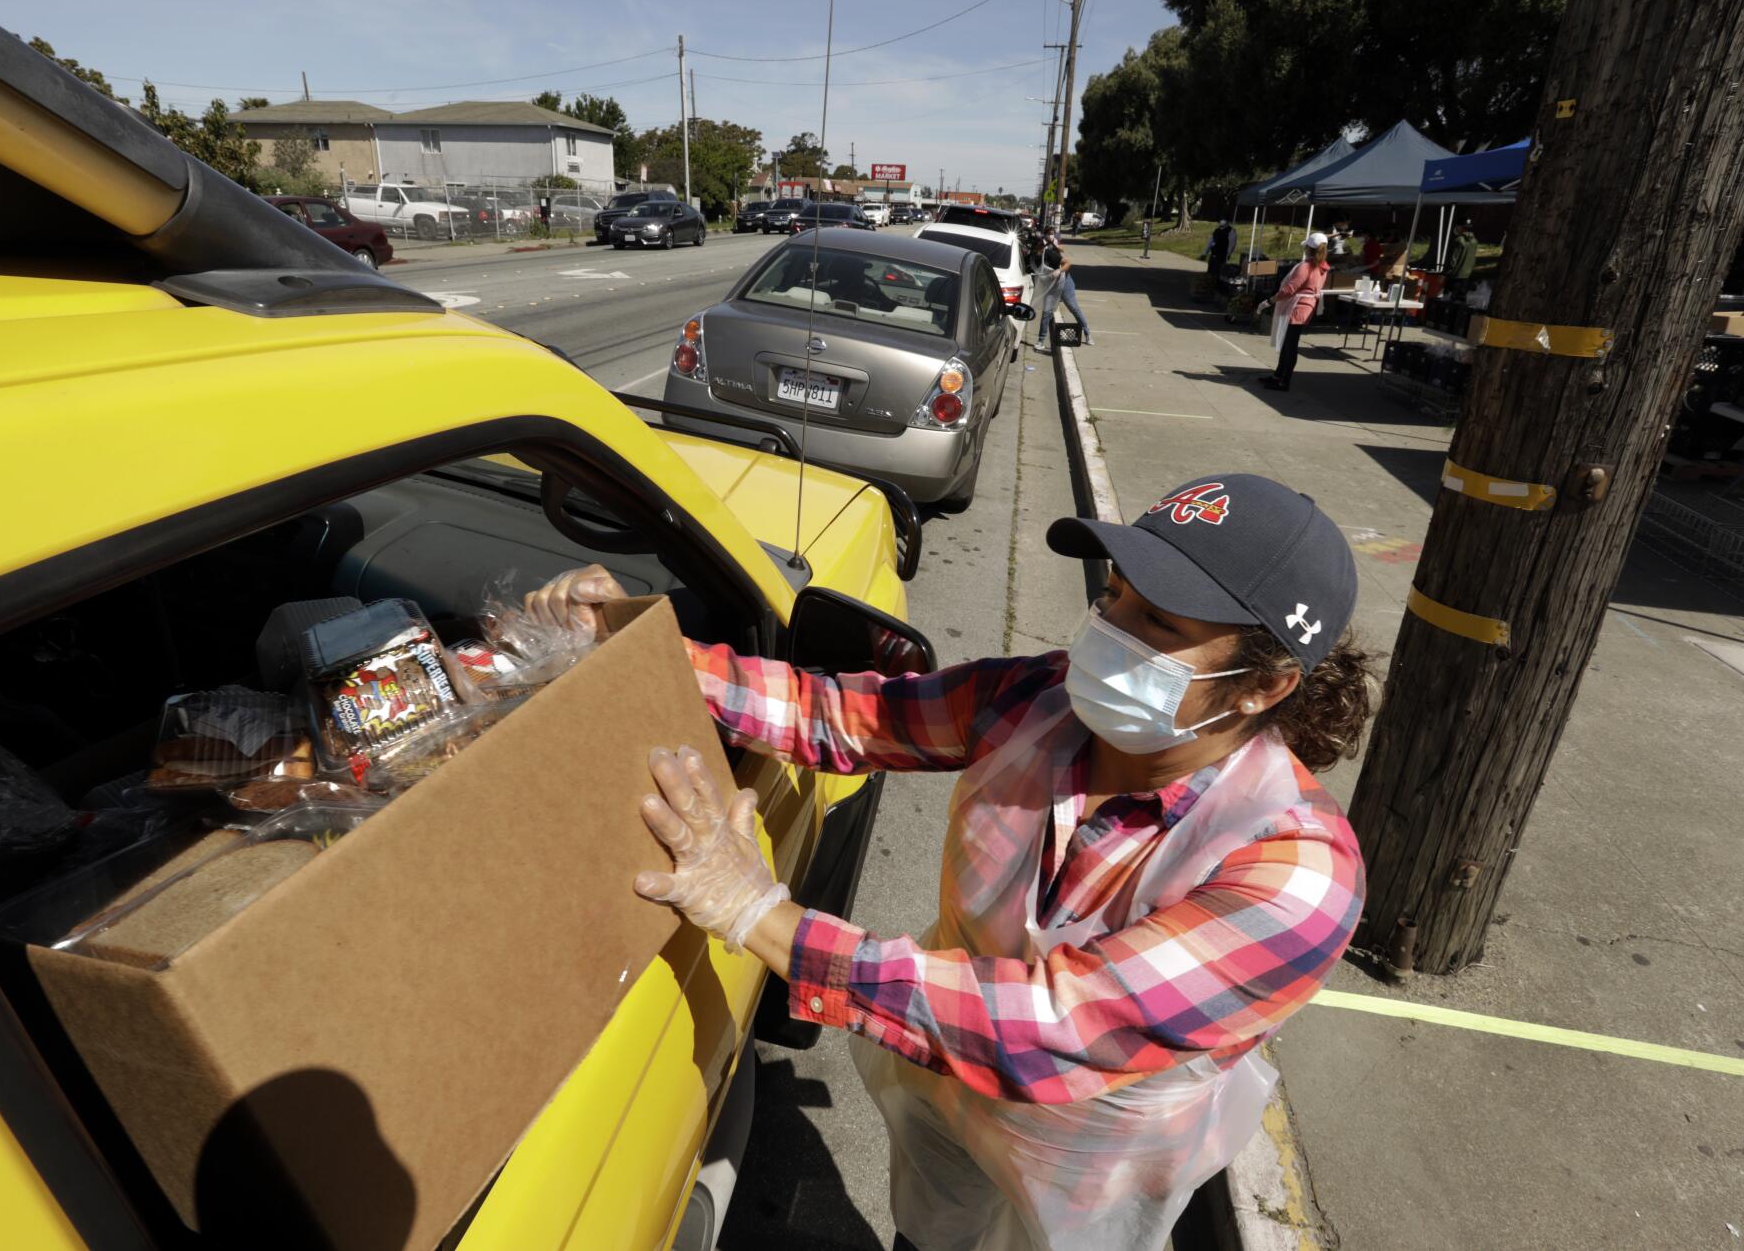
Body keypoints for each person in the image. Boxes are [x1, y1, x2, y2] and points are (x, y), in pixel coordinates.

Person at [528, 474, 1374, 1251]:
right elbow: (845, 718)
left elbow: (1058, 1024)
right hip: (945, 1098)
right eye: (1113, 594)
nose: (1110, 630)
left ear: (1262, 686)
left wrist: (759, 912)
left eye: (1159, 623)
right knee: (926, 1235)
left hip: (1087, 1171)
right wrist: (633, 642)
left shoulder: (1295, 871)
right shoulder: (1034, 700)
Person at [1257, 231, 1332, 391]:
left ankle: (1284, 380)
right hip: (1306, 306)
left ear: (1308, 248)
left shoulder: (1306, 266)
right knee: (1287, 344)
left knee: (1289, 345)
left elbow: (1289, 290)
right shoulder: (1322, 266)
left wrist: (1270, 301)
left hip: (1297, 307)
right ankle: (1279, 375)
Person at [1034, 238, 1093, 351]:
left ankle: (1087, 334)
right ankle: (1040, 341)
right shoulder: (1034, 257)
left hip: (1064, 282)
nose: (1036, 250)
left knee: (1073, 307)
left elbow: (1068, 263)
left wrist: (1059, 271)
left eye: (1037, 248)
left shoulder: (1049, 254)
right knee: (1047, 312)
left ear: (1041, 247)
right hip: (1051, 285)